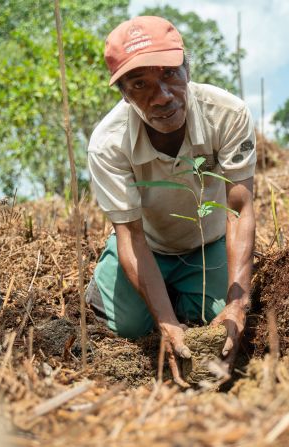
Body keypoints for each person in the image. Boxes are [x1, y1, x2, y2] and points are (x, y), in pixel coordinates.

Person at [85, 16, 256, 386]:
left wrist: (237, 304)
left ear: (188, 70)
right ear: (124, 94)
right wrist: (163, 322)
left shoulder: (227, 114)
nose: (161, 95)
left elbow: (239, 210)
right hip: (148, 245)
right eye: (140, 84)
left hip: (206, 242)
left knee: (218, 322)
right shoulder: (108, 143)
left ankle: (180, 296)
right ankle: (118, 287)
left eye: (170, 74)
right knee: (131, 325)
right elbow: (130, 234)